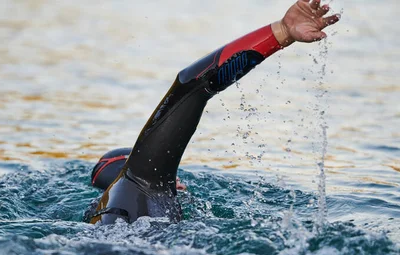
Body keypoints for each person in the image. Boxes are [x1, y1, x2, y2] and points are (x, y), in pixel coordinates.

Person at [86, 0, 340, 225]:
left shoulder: (104, 215)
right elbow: (191, 84)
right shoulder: (141, 177)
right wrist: (281, 32)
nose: (179, 183)